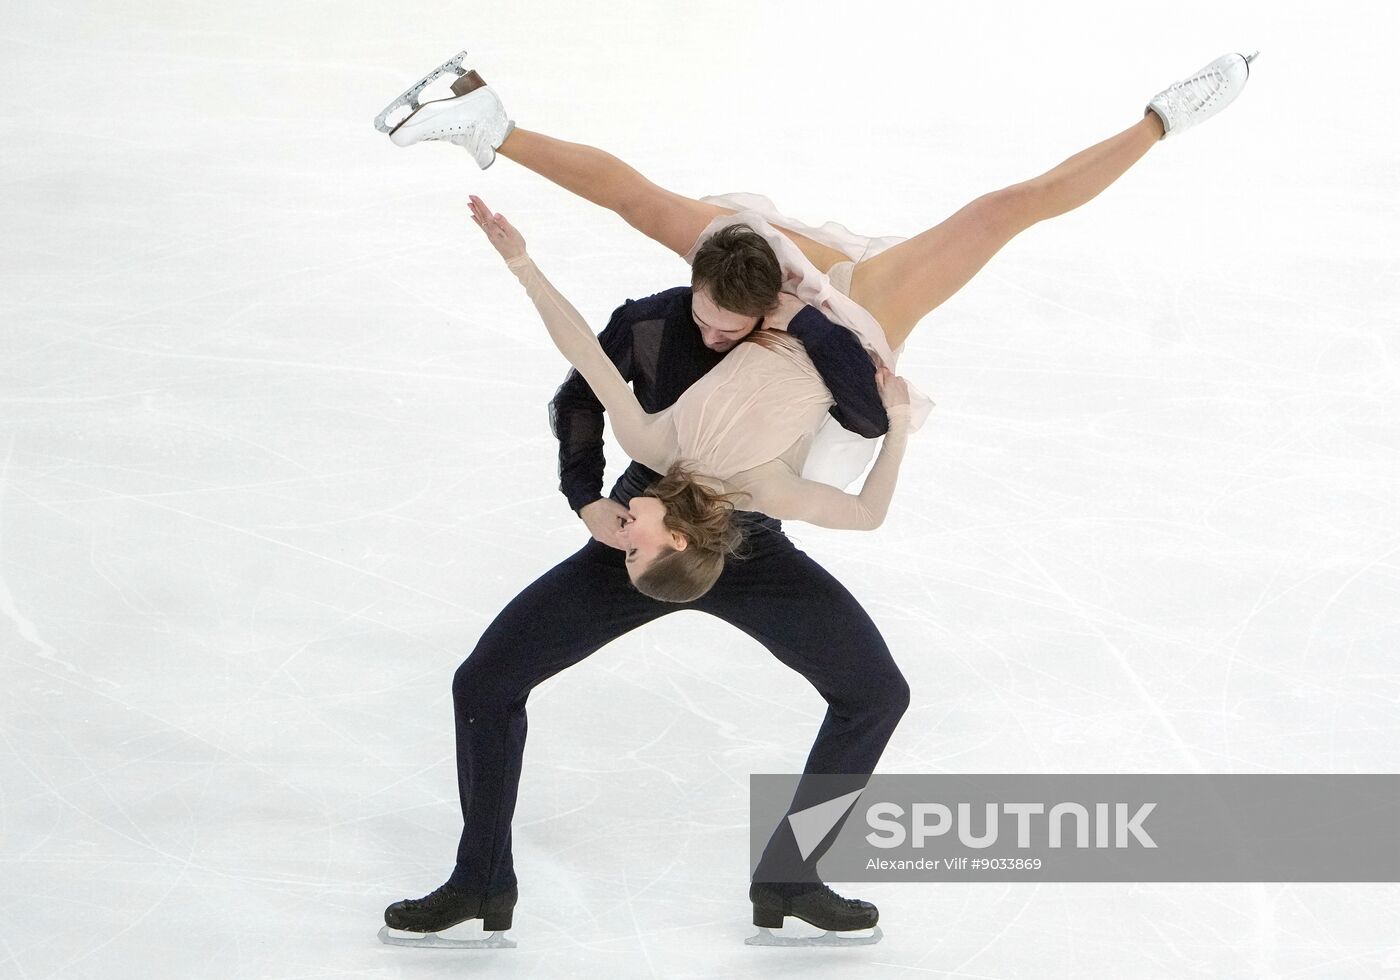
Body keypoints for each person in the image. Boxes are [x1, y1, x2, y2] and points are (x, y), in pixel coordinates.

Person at [376, 47, 1258, 946]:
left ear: (765, 304)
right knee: (487, 683)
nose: (711, 333)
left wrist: (1156, 123)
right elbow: (585, 377)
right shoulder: (665, 321)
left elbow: (885, 387)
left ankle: (792, 878)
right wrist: (591, 502)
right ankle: (481, 880)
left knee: (873, 692)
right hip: (656, 504)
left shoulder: (823, 305)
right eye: (705, 316)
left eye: (732, 323)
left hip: (744, 534)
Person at [465, 193, 915, 603]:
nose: (623, 541)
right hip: (858, 324)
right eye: (633, 552)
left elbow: (584, 354)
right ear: (678, 541)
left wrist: (520, 263)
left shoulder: (652, 445)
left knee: (642, 199)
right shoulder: (765, 493)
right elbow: (867, 514)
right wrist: (898, 420)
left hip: (788, 302)